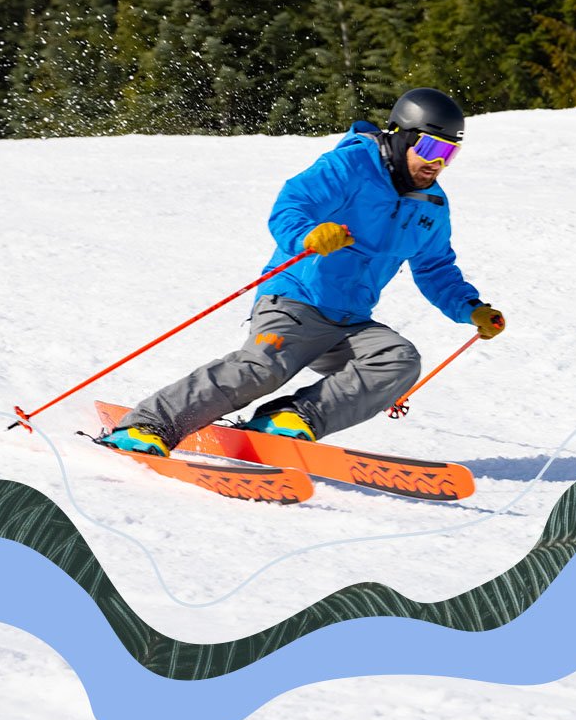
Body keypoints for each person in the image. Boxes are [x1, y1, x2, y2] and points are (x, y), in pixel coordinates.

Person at [99, 87, 505, 457]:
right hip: (294, 301)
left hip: (350, 322)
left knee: (398, 360)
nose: (438, 162)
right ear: (401, 135)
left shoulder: (431, 205)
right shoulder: (351, 165)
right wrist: (310, 236)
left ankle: (288, 420)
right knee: (261, 369)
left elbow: (434, 267)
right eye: (432, 146)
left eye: (449, 153)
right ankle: (147, 424)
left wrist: (470, 308)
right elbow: (291, 205)